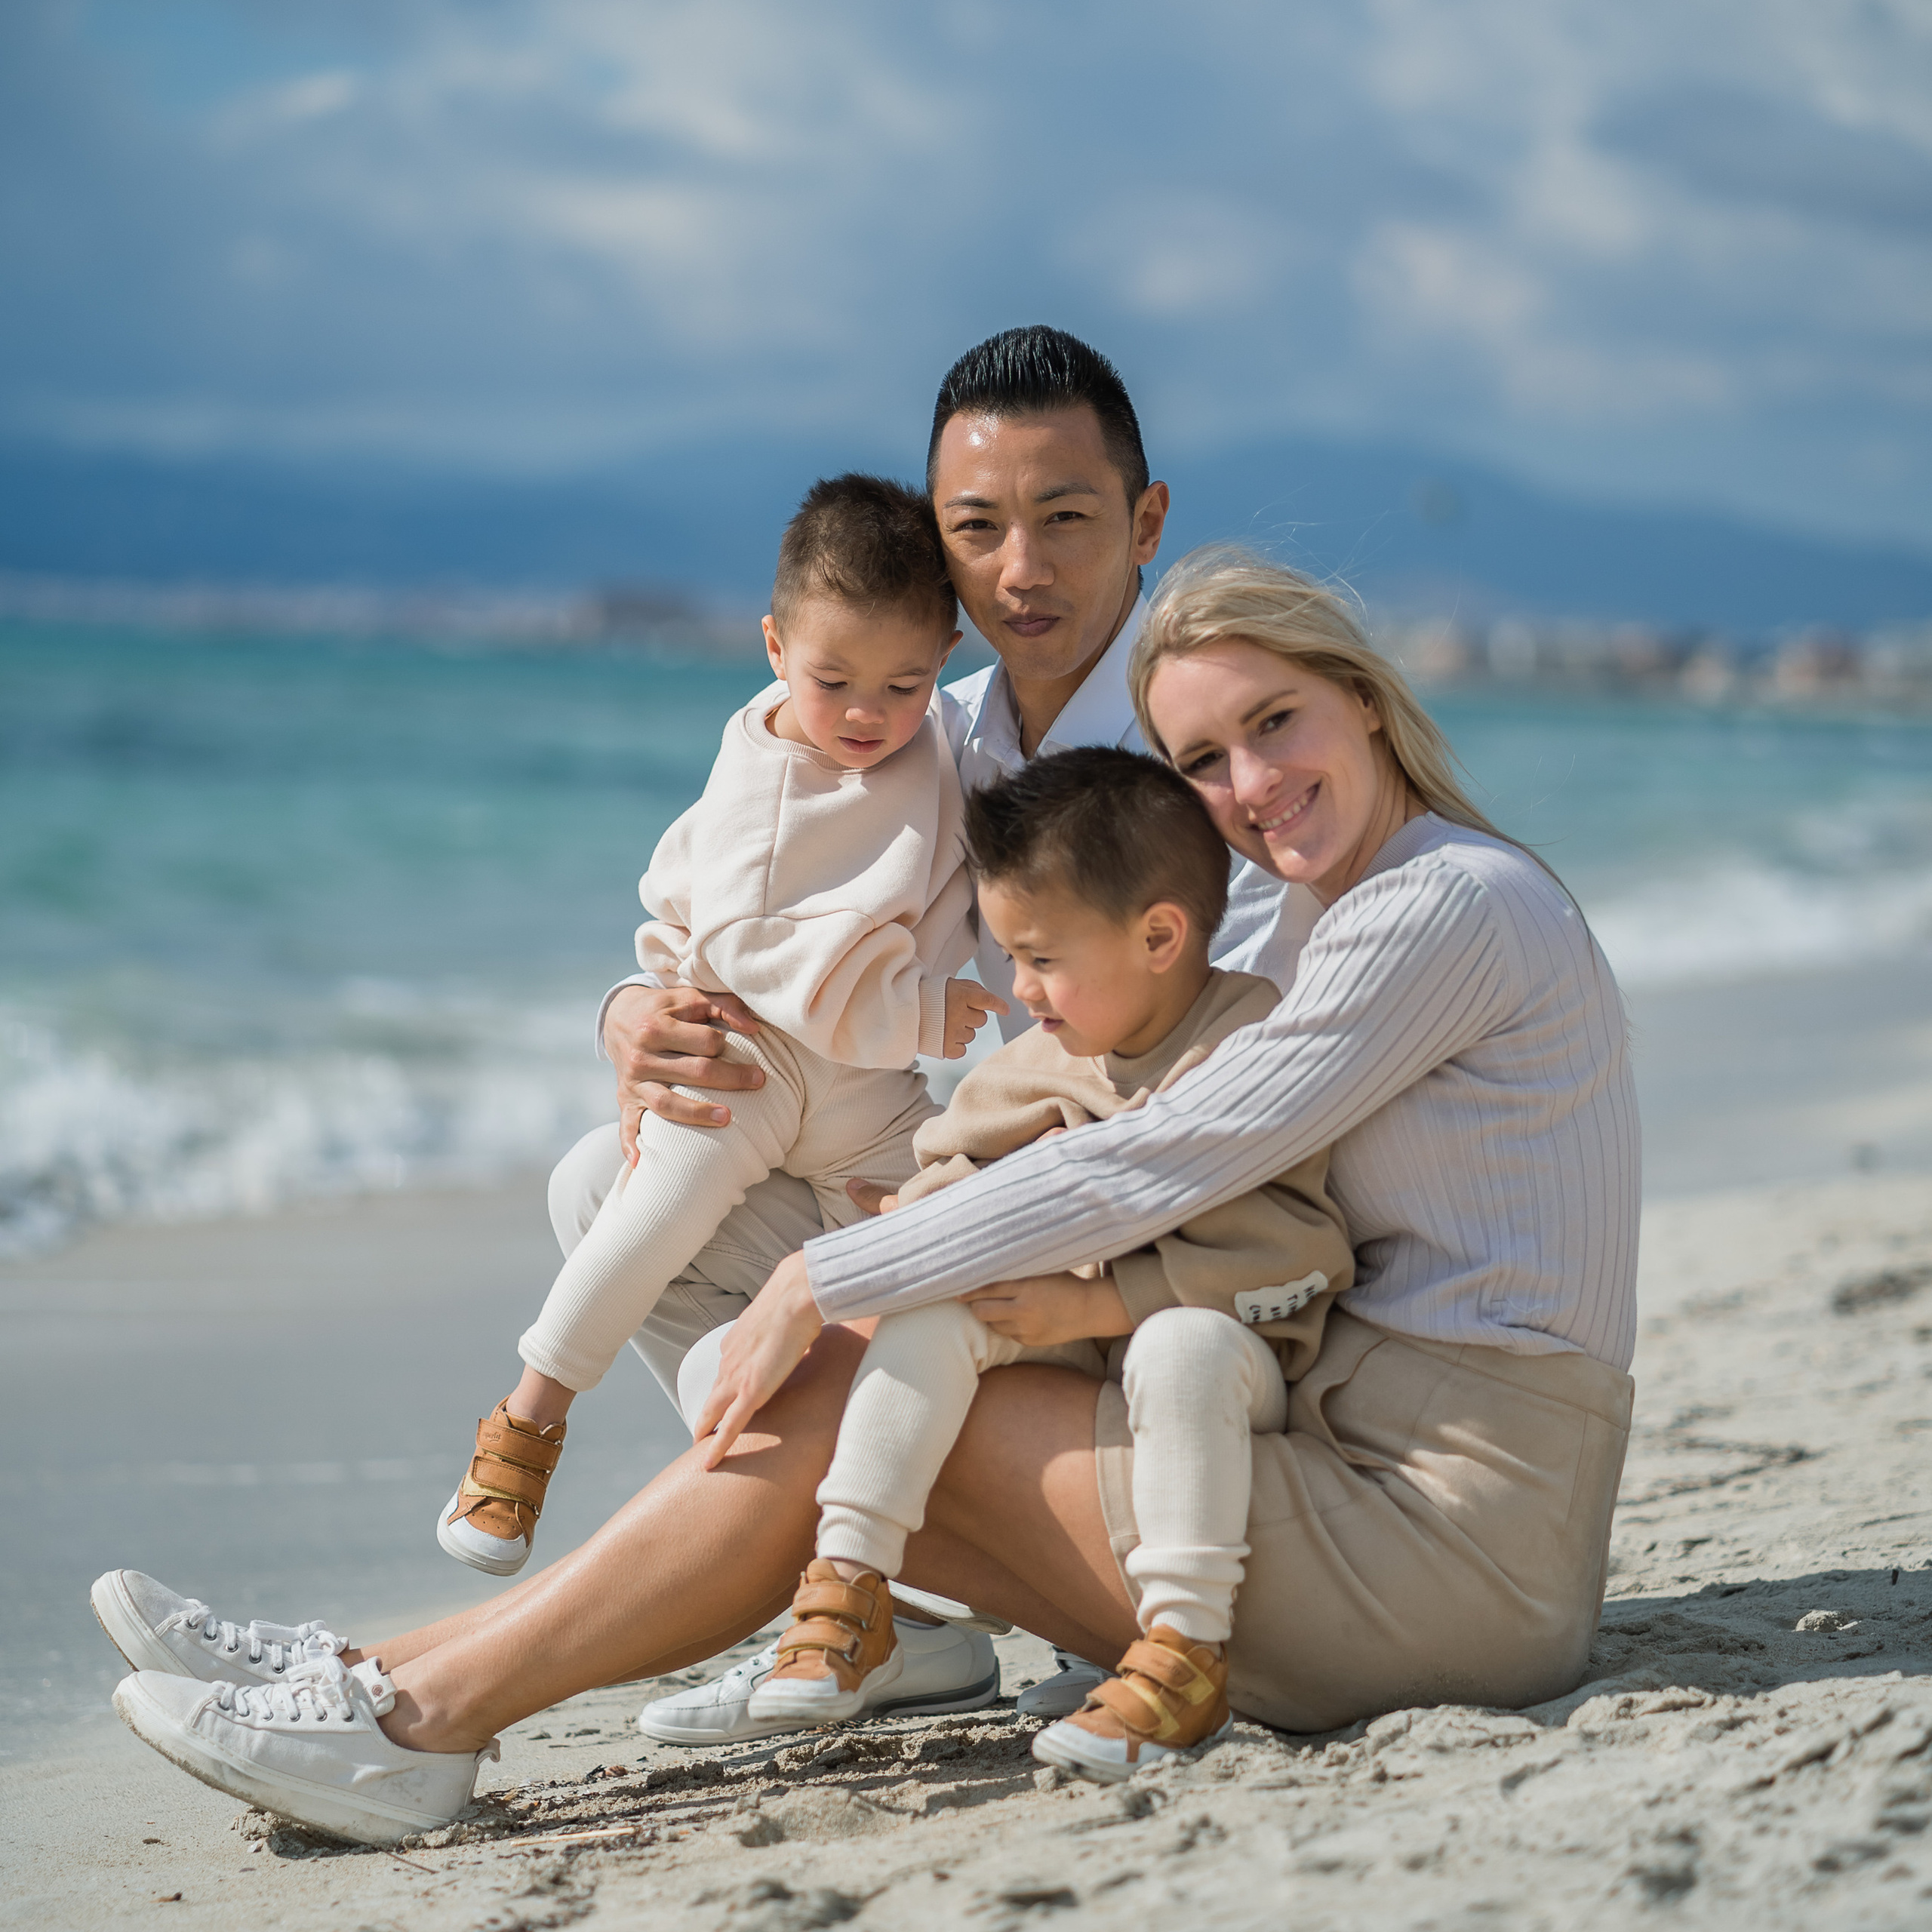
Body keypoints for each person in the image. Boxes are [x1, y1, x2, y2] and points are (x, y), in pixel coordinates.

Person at [97, 547, 1638, 1849]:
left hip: (1446, 1546)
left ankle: (417, 1716)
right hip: (1295, 1447)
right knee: (720, 1244)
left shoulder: (1442, 906)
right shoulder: (1305, 915)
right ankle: (372, 1670)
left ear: (1361, 694)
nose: (1247, 785)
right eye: (1200, 760)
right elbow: (1015, 1043)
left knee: (851, 1365)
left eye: (1275, 721)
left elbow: (1159, 1159)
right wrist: (642, 1007)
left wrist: (829, 1275)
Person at [581, 327, 1323, 1734]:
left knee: (831, 1274)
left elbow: (1203, 1120)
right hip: (977, 1177)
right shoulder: (916, 726)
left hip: (1148, 1247)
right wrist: (636, 1011)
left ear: (1147, 523)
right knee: (611, 1177)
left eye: (1067, 518)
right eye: (977, 529)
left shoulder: (1203, 757)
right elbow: (751, 905)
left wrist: (880, 1250)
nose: (1020, 569)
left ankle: (883, 1576)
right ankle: (906, 1615)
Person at [746, 748, 1351, 1784]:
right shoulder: (1036, 1062)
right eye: (1008, 957)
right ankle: (852, 1581)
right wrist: (914, 1215)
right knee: (935, 1314)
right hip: (1065, 1365)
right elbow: (951, 1176)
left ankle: (1183, 1652)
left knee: (1182, 1346)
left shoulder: (1249, 1045)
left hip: (1225, 1361)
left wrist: (1105, 1303)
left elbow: (1300, 1251)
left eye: (1042, 959)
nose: (1021, 991)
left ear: (1159, 937)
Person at [438, 473, 1004, 1580]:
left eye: (902, 684)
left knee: (941, 1267)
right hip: (752, 1052)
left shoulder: (937, 733)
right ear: (774, 647)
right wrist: (920, 1008)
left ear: (945, 655)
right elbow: (752, 950)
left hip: (869, 1091)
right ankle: (529, 1418)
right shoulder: (769, 779)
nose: (865, 714)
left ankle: (884, 1552)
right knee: (650, 1214)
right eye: (832, 681)